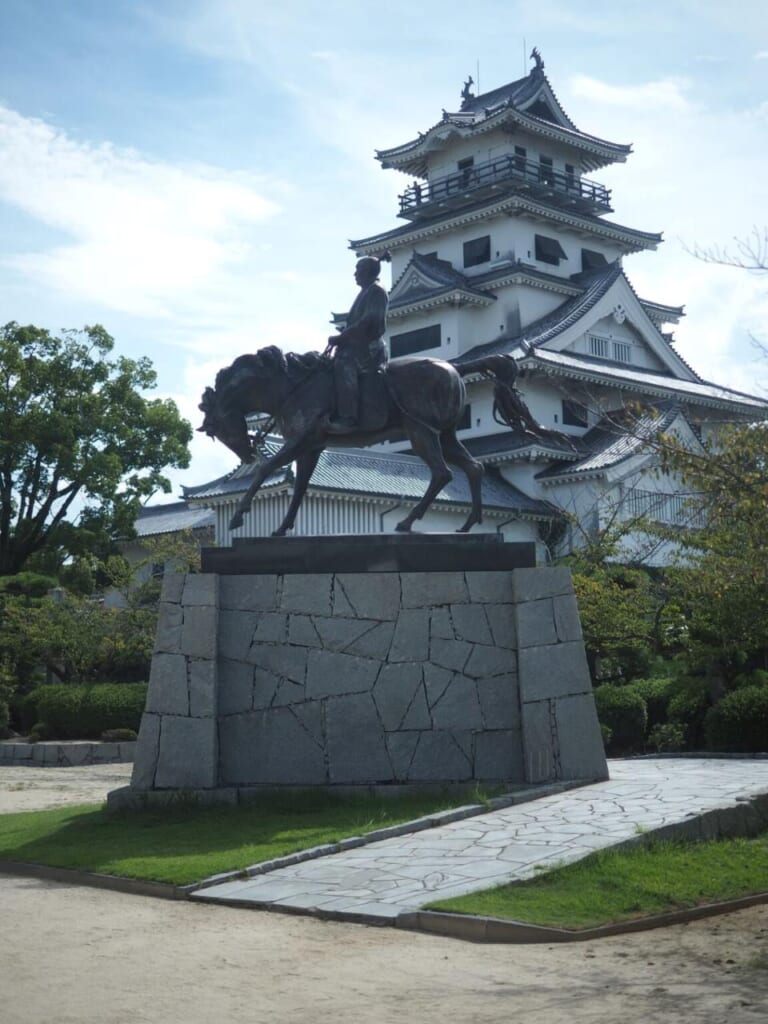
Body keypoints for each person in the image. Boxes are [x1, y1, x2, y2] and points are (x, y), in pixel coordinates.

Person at [327, 257, 388, 431]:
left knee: (343, 366)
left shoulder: (376, 291)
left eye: (358, 269)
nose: (355, 273)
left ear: (368, 271)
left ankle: (348, 417)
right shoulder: (366, 291)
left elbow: (368, 321)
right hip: (357, 346)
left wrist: (342, 337)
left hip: (370, 349)